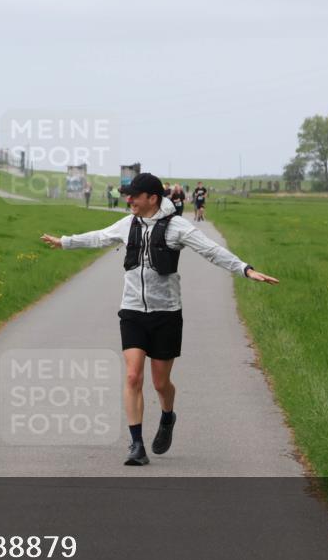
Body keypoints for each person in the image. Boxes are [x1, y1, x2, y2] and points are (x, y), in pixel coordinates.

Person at [40, 173, 277, 466]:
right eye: (128, 195)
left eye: (134, 196)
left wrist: (245, 269)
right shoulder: (128, 224)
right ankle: (136, 444)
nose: (129, 200)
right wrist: (65, 242)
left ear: (152, 199)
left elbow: (210, 250)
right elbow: (100, 236)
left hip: (166, 313)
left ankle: (167, 416)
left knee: (161, 383)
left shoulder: (177, 227)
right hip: (132, 311)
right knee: (132, 375)